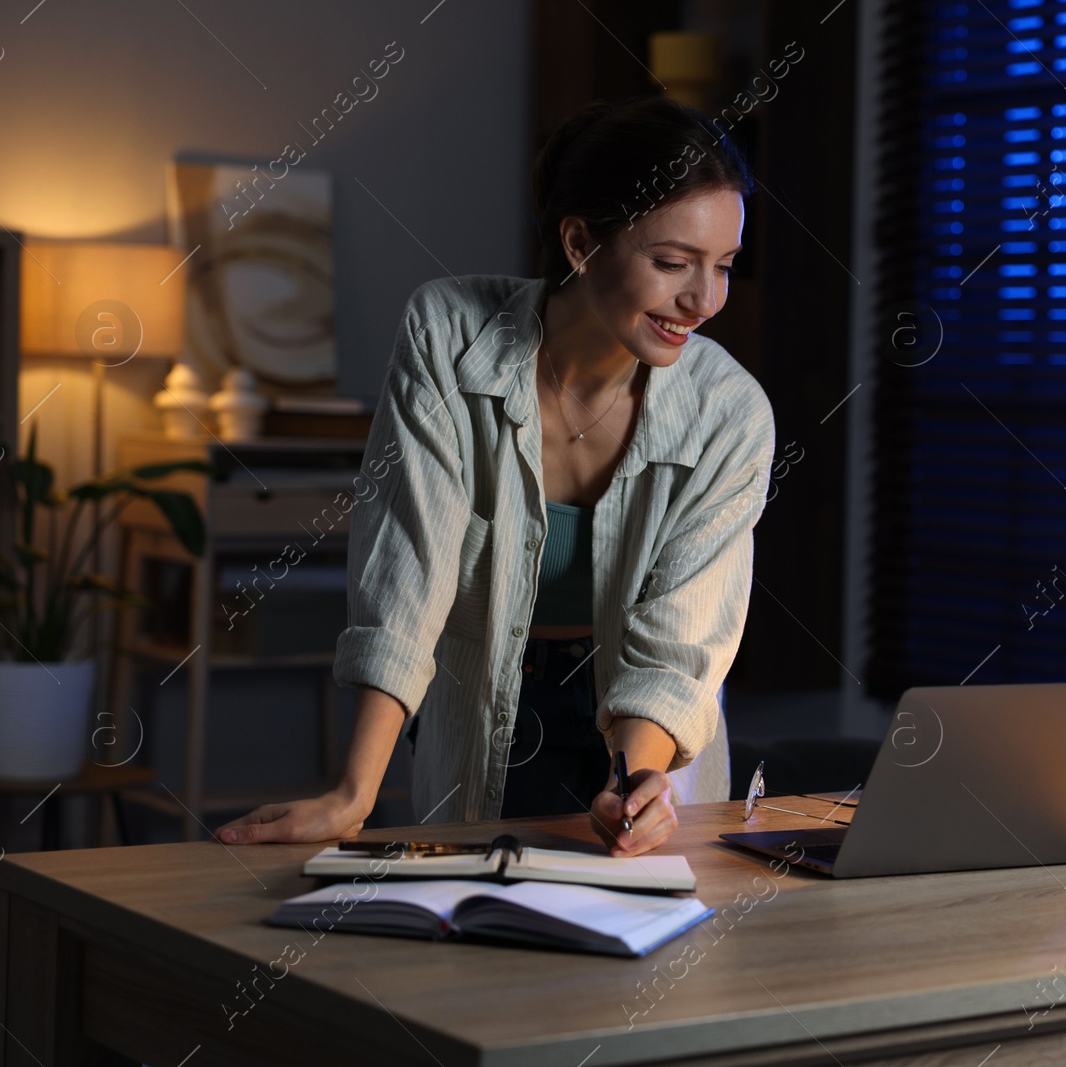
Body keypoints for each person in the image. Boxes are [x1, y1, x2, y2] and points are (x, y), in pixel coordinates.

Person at [217, 96, 775, 857]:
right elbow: (407, 576)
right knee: (476, 940)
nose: (704, 300)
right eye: (673, 263)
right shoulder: (448, 334)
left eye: (725, 267)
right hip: (486, 703)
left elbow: (679, 642)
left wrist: (638, 783)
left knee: (640, 951)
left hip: (646, 736)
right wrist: (356, 793)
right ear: (580, 241)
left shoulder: (730, 412)